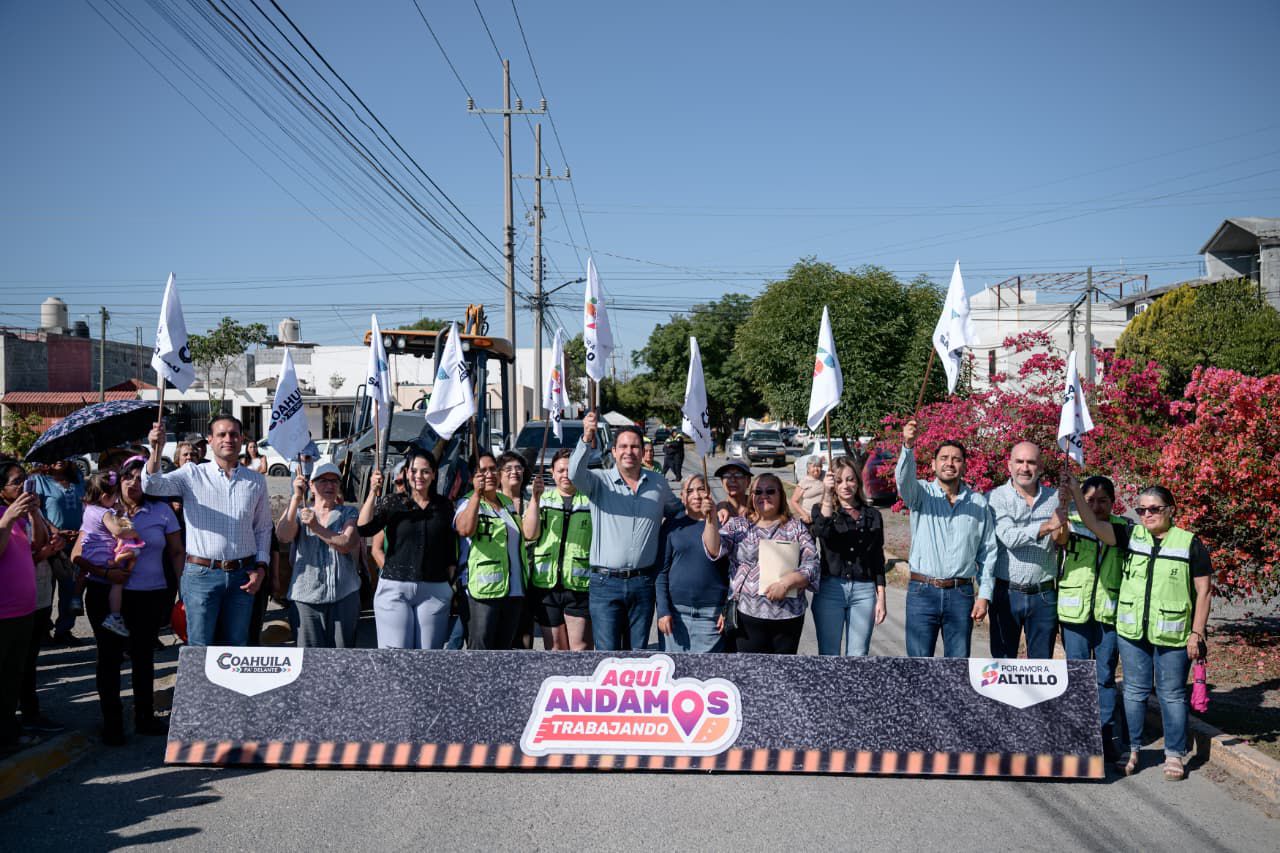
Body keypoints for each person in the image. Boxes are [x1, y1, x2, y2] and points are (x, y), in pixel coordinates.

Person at [1066, 479, 1212, 782]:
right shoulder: (1131, 535)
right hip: (1132, 632)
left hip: (1173, 635)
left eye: (1154, 509)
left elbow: (1204, 591)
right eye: (1141, 509)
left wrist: (1197, 633)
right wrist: (1076, 493)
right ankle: (1131, 749)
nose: (1147, 515)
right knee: (1133, 692)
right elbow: (1093, 523)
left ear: (1170, 510)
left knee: (1171, 694)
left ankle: (1174, 753)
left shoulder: (1189, 543)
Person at [73, 457, 183, 743]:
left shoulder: (162, 510)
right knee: (108, 659)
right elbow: (77, 555)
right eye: (128, 477)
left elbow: (176, 553)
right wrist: (106, 572)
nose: (134, 482)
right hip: (104, 595)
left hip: (150, 595)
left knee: (143, 657)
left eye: (140, 477)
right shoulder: (102, 511)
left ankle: (145, 717)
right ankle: (112, 723)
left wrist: (185, 589)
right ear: (117, 481)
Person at [143, 416, 270, 646]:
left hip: (244, 575)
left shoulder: (256, 481)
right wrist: (155, 450)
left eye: (233, 434)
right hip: (202, 575)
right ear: (210, 440)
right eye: (221, 434)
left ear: (242, 439)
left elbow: (262, 529)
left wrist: (261, 567)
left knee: (236, 649)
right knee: (200, 648)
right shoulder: (192, 474)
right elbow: (152, 486)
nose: (228, 439)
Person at [570, 412, 681, 651]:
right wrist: (586, 437)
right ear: (613, 452)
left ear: (643, 451)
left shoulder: (658, 484)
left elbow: (679, 513)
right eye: (623, 446)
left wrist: (715, 512)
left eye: (634, 446)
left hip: (642, 582)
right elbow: (574, 474)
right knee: (607, 657)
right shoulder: (599, 482)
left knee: (637, 655)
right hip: (605, 583)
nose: (629, 451)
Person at [895, 420, 996, 658]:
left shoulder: (978, 504)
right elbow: (903, 481)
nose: (950, 463)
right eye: (944, 458)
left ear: (964, 466)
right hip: (922, 592)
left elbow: (988, 552)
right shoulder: (920, 494)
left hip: (960, 595)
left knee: (957, 670)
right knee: (919, 668)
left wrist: (984, 595)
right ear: (933, 464)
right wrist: (908, 447)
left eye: (956, 459)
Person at [1055, 474, 1130, 764]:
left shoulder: (1124, 527)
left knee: (1105, 677)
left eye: (1103, 501)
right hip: (1075, 613)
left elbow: (1099, 528)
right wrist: (1064, 504)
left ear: (1114, 503)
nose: (1097, 506)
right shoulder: (1071, 521)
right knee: (1076, 675)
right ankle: (1076, 734)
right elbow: (1058, 538)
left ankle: (1107, 736)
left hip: (1108, 613)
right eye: (1090, 501)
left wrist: (1077, 498)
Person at [705, 472, 818, 654]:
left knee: (782, 675)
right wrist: (710, 520)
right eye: (758, 491)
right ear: (752, 496)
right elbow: (713, 550)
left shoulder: (796, 527)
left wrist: (787, 582)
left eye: (770, 491)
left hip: (788, 617)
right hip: (747, 617)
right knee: (750, 674)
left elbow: (812, 564)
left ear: (781, 495)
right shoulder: (738, 525)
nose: (763, 495)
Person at [358, 449, 457, 649]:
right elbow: (364, 528)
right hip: (395, 588)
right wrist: (371, 492)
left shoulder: (444, 506)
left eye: (425, 471)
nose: (419, 476)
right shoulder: (393, 502)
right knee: (396, 657)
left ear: (434, 474)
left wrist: (449, 583)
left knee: (428, 658)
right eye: (414, 471)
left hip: (434, 589)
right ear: (406, 473)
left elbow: (449, 548)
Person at [987, 441, 1063, 659]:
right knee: (1003, 664)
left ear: (1040, 467)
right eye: (1019, 461)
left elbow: (1065, 536)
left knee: (1042, 666)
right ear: (1009, 465)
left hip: (1044, 595)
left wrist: (1070, 498)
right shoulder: (995, 498)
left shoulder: (1056, 498)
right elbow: (1010, 537)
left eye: (1031, 462)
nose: (1025, 467)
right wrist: (1048, 526)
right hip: (1006, 593)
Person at [277, 463, 362, 648]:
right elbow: (283, 535)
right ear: (312, 486)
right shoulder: (301, 513)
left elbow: (346, 544)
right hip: (306, 599)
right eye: (323, 481)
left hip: (344, 596)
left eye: (334, 481)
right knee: (309, 660)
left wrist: (316, 527)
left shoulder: (348, 512)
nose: (330, 485)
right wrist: (296, 498)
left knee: (343, 658)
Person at [810, 457, 886, 656]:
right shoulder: (822, 510)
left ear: (858, 482)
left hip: (864, 591)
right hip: (830, 588)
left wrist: (881, 598)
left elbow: (877, 557)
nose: (845, 485)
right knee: (828, 655)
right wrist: (826, 495)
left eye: (850, 479)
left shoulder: (872, 515)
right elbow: (822, 531)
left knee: (858, 656)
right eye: (839, 480)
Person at [453, 451, 527, 650]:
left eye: (493, 469)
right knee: (481, 655)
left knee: (504, 654)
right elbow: (465, 529)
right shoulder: (466, 502)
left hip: (513, 591)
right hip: (481, 593)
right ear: (472, 477)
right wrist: (477, 495)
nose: (489, 474)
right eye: (483, 471)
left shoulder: (507, 503)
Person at [523, 448, 593, 651]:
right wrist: (535, 499)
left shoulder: (589, 501)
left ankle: (580, 682)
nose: (565, 475)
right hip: (546, 586)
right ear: (552, 473)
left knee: (580, 647)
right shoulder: (543, 500)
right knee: (554, 647)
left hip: (579, 585)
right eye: (560, 470)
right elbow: (530, 534)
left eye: (570, 470)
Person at [0, 462, 47, 749]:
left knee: (12, 679)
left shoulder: (19, 514)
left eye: (25, 481)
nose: (23, 487)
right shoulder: (5, 516)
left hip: (24, 610)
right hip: (2, 613)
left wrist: (34, 514)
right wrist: (7, 520)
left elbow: (37, 544)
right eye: (17, 482)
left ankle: (8, 734)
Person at [656, 475, 729, 652]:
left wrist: (727, 609)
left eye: (701, 489)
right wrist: (663, 611)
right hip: (676, 613)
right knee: (674, 673)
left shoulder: (723, 524)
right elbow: (661, 572)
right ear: (682, 497)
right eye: (690, 491)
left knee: (707, 674)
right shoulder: (673, 526)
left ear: (709, 493)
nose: (696, 495)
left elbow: (732, 572)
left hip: (711, 615)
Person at [75, 471, 146, 638]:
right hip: (103, 559)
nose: (116, 499)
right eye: (115, 495)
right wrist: (133, 532)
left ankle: (76, 597)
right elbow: (117, 531)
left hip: (91, 555)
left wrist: (117, 512)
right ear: (105, 496)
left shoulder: (89, 509)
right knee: (119, 582)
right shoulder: (104, 513)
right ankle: (115, 616)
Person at [31, 458, 85, 645]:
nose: (59, 459)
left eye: (65, 454)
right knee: (45, 588)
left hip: (75, 541)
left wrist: (82, 531)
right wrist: (55, 531)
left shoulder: (78, 477)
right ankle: (43, 630)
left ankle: (64, 629)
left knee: (70, 587)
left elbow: (85, 505)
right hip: (49, 541)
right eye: (55, 455)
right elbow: (36, 511)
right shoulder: (40, 480)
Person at [788, 456, 826, 524]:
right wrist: (804, 515)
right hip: (810, 518)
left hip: (824, 516)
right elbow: (794, 501)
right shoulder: (804, 482)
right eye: (813, 466)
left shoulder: (825, 476)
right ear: (808, 469)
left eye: (818, 466)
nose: (816, 469)